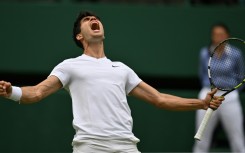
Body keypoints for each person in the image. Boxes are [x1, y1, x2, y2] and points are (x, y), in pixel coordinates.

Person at [0, 11, 223, 153]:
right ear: (80, 36)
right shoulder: (69, 66)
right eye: (87, 20)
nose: (93, 20)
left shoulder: (122, 69)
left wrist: (201, 104)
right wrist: (13, 91)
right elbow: (38, 92)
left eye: (95, 18)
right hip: (90, 146)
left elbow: (159, 98)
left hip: (126, 145)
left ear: (103, 32)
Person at [193, 23, 245, 152]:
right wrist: (210, 91)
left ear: (227, 36)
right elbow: (203, 74)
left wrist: (233, 92)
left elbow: (241, 76)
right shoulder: (204, 53)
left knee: (237, 137)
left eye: (222, 34)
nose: (219, 37)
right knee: (201, 137)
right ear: (212, 36)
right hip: (208, 94)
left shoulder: (236, 54)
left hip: (230, 96)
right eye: (216, 35)